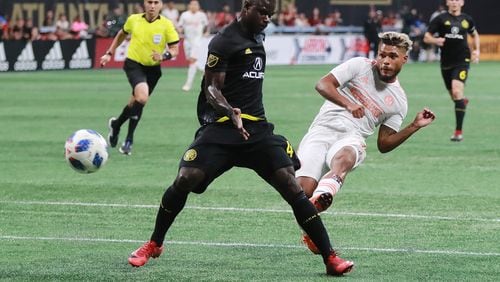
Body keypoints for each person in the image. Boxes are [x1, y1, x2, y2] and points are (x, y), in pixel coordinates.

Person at [127, 0, 354, 276]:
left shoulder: (258, 35)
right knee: (185, 179)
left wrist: (245, 117)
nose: (267, 19)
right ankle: (154, 243)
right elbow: (211, 88)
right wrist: (228, 111)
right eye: (262, 12)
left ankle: (330, 257)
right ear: (246, 8)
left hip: (256, 130)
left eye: (270, 14)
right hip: (222, 127)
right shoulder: (224, 41)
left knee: (292, 187)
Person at [295, 32, 436, 254]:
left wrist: (414, 126)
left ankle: (324, 197)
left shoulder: (399, 101)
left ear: (404, 59)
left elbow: (384, 143)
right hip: (321, 130)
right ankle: (312, 222)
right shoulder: (359, 66)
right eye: (382, 55)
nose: (386, 61)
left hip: (352, 137)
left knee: (347, 156)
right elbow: (323, 84)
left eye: (392, 56)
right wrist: (348, 104)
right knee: (301, 192)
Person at [100, 0, 180, 155]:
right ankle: (129, 140)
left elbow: (175, 48)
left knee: (135, 102)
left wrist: (164, 56)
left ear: (160, 5)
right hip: (134, 64)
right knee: (142, 98)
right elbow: (121, 34)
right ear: (144, 4)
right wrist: (109, 53)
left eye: (156, 2)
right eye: (149, 2)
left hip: (153, 69)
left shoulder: (166, 25)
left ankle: (116, 124)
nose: (152, 5)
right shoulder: (133, 20)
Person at [424, 0, 480, 142]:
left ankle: (458, 132)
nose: (454, 2)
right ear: (447, 2)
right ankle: (462, 102)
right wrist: (436, 41)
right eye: (452, 0)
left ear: (462, 2)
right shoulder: (440, 19)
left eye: (457, 0)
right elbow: (427, 37)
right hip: (446, 63)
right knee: (455, 97)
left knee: (456, 91)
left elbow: (475, 35)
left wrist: (476, 51)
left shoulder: (467, 19)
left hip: (462, 61)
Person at [177, 0, 209, 92]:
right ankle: (204, 71)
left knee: (192, 61)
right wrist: (179, 30)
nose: (194, 6)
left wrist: (206, 32)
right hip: (187, 41)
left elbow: (206, 26)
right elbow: (180, 26)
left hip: (197, 41)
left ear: (198, 6)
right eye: (192, 4)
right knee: (193, 61)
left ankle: (188, 84)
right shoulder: (185, 15)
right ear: (189, 6)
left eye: (196, 4)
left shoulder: (201, 15)